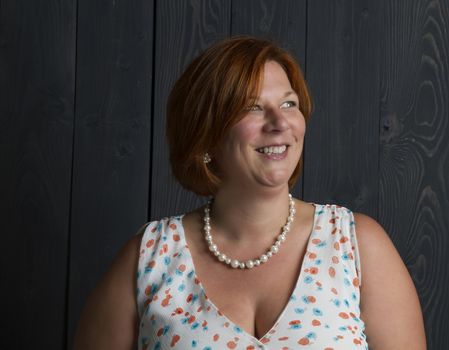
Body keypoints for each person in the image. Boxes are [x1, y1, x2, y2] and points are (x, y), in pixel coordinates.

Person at [74, 36, 426, 349]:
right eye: (252, 107)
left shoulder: (356, 245)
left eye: (289, 104)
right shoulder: (149, 259)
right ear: (206, 134)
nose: (280, 123)